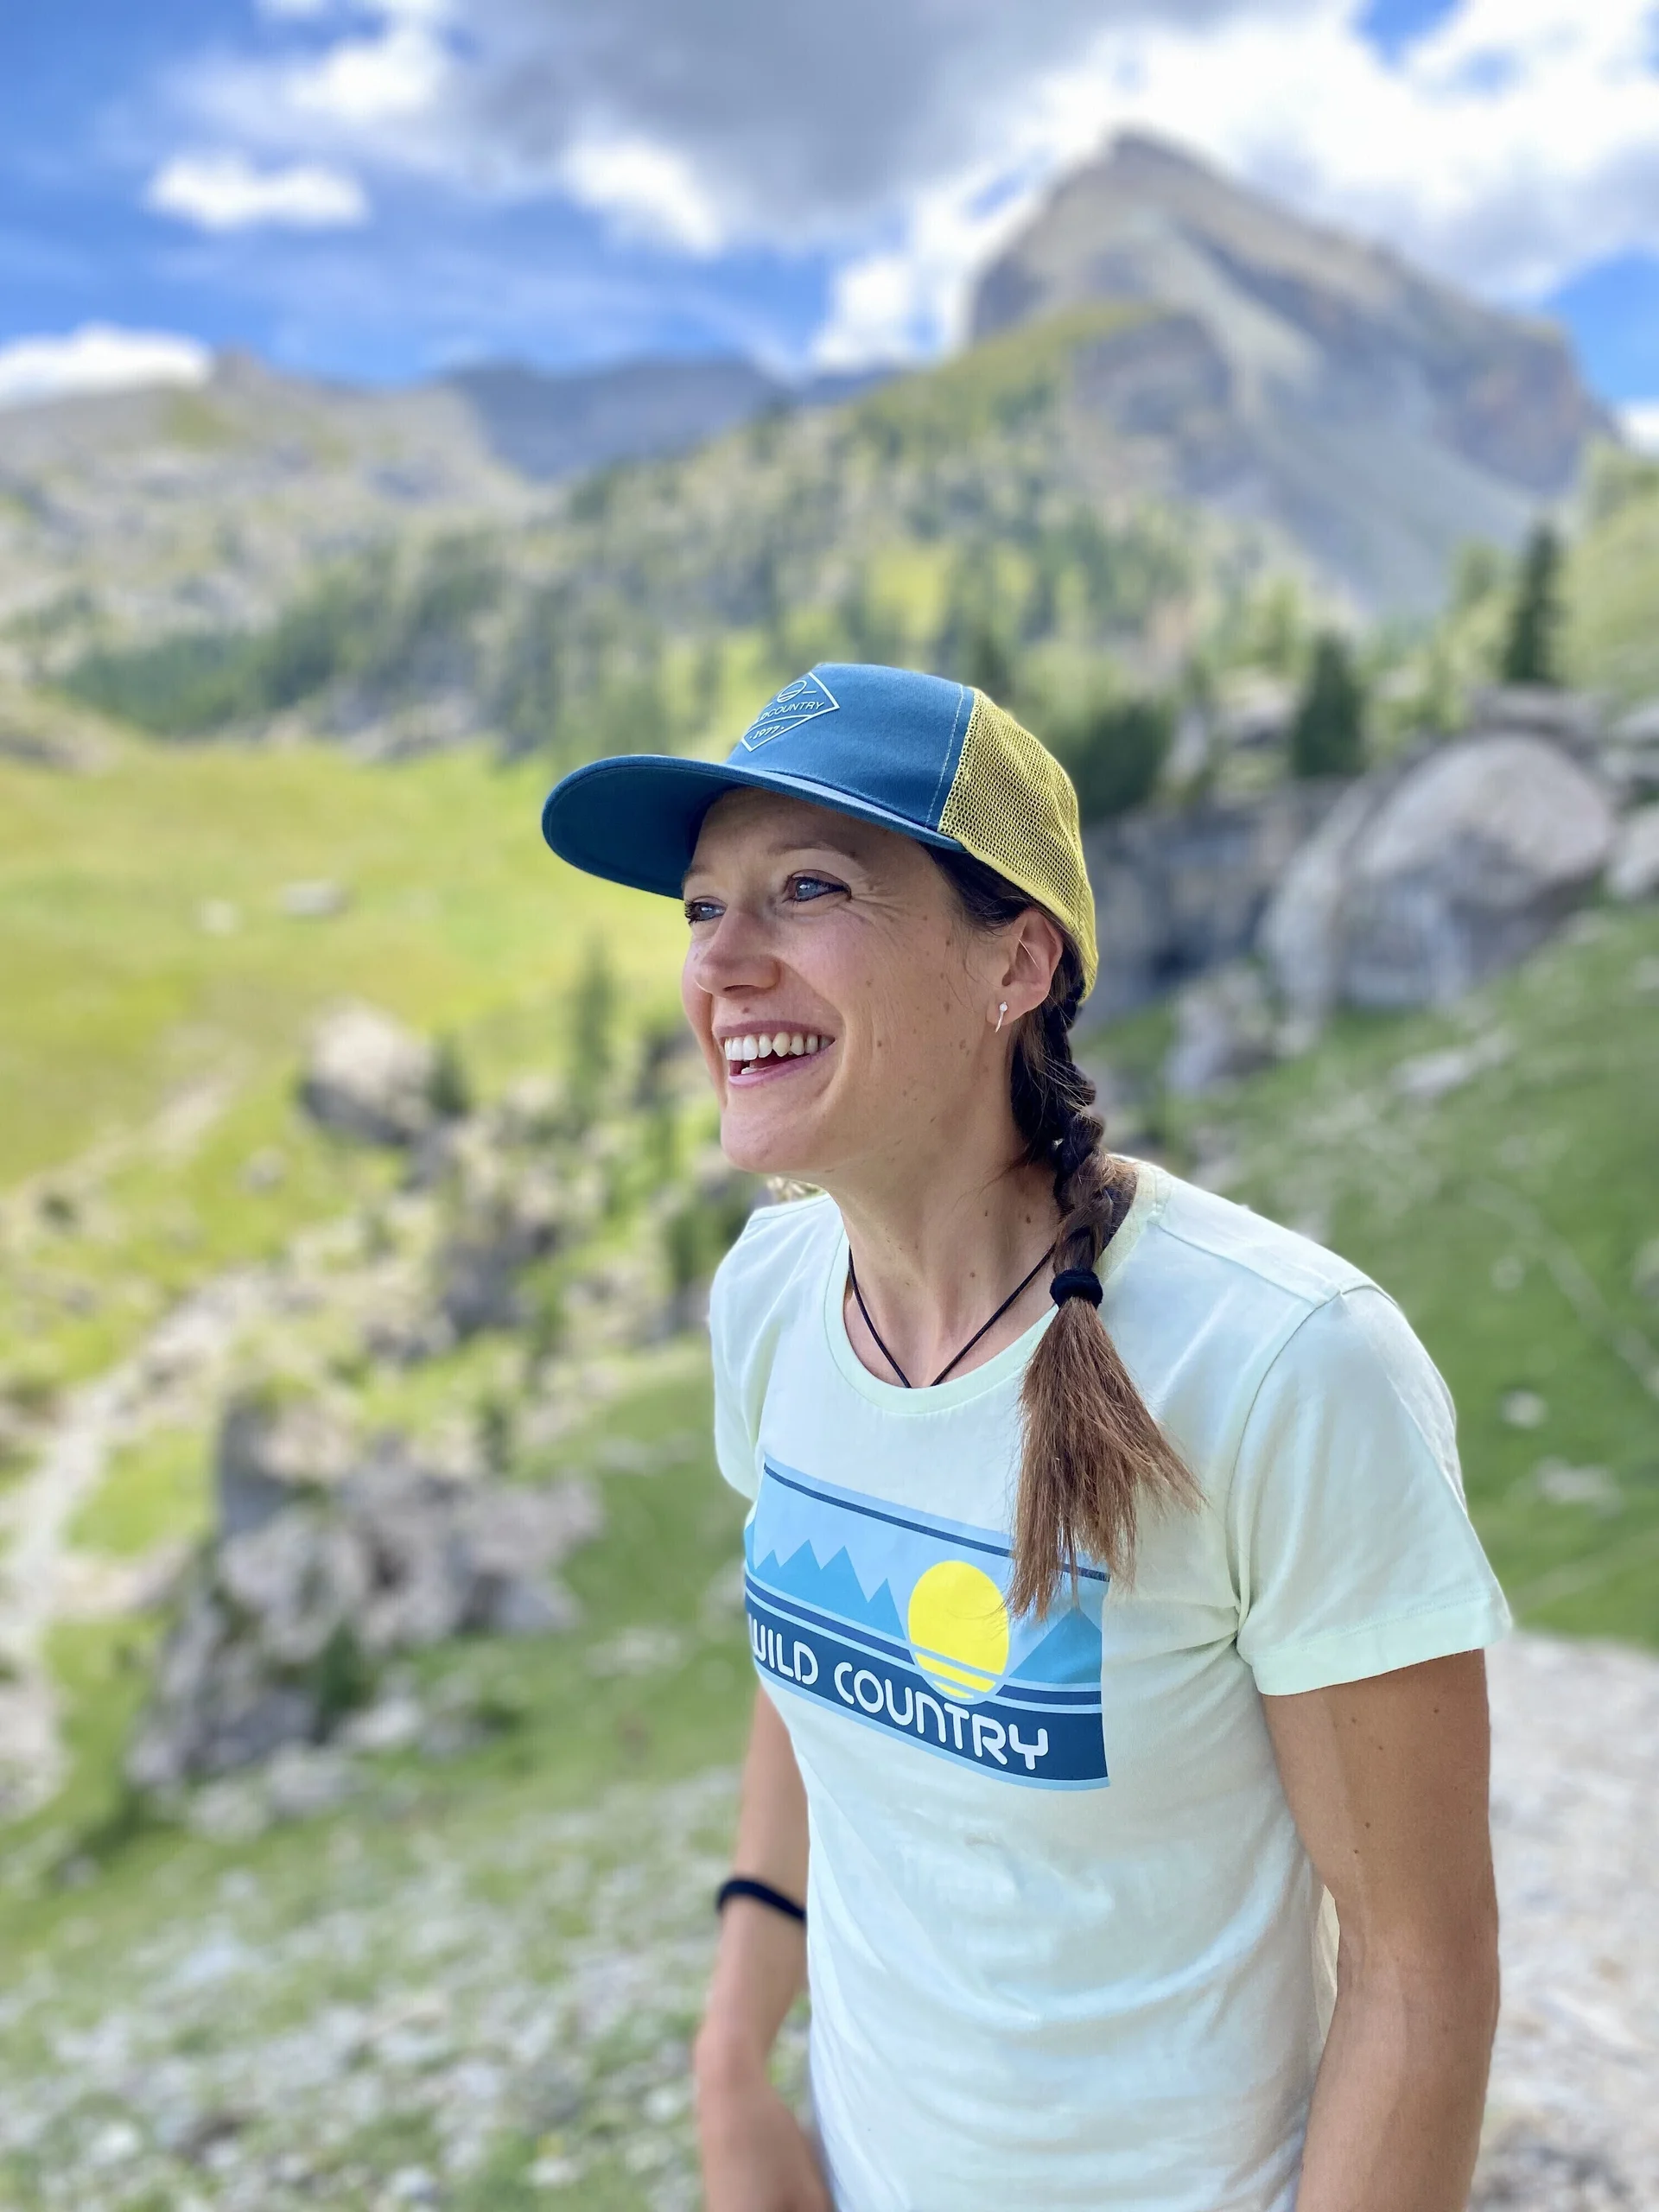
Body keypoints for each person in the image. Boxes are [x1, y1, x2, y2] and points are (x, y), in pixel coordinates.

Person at [541, 664, 1512, 2212]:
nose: (723, 961)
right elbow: (817, 1667)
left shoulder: (1283, 1362)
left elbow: (1421, 1970)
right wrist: (731, 2060)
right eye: (703, 906)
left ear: (1016, 962)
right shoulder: (772, 1295)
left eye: (808, 888)